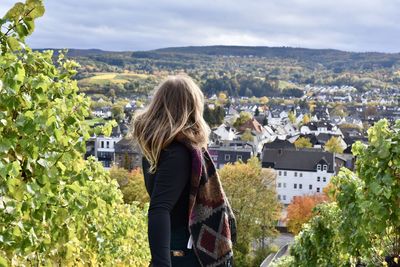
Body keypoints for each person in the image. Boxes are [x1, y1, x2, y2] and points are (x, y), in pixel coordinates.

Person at [129, 75, 210, 267]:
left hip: (176, 251)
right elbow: (159, 209)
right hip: (183, 255)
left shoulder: (156, 148)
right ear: (190, 107)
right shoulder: (178, 153)